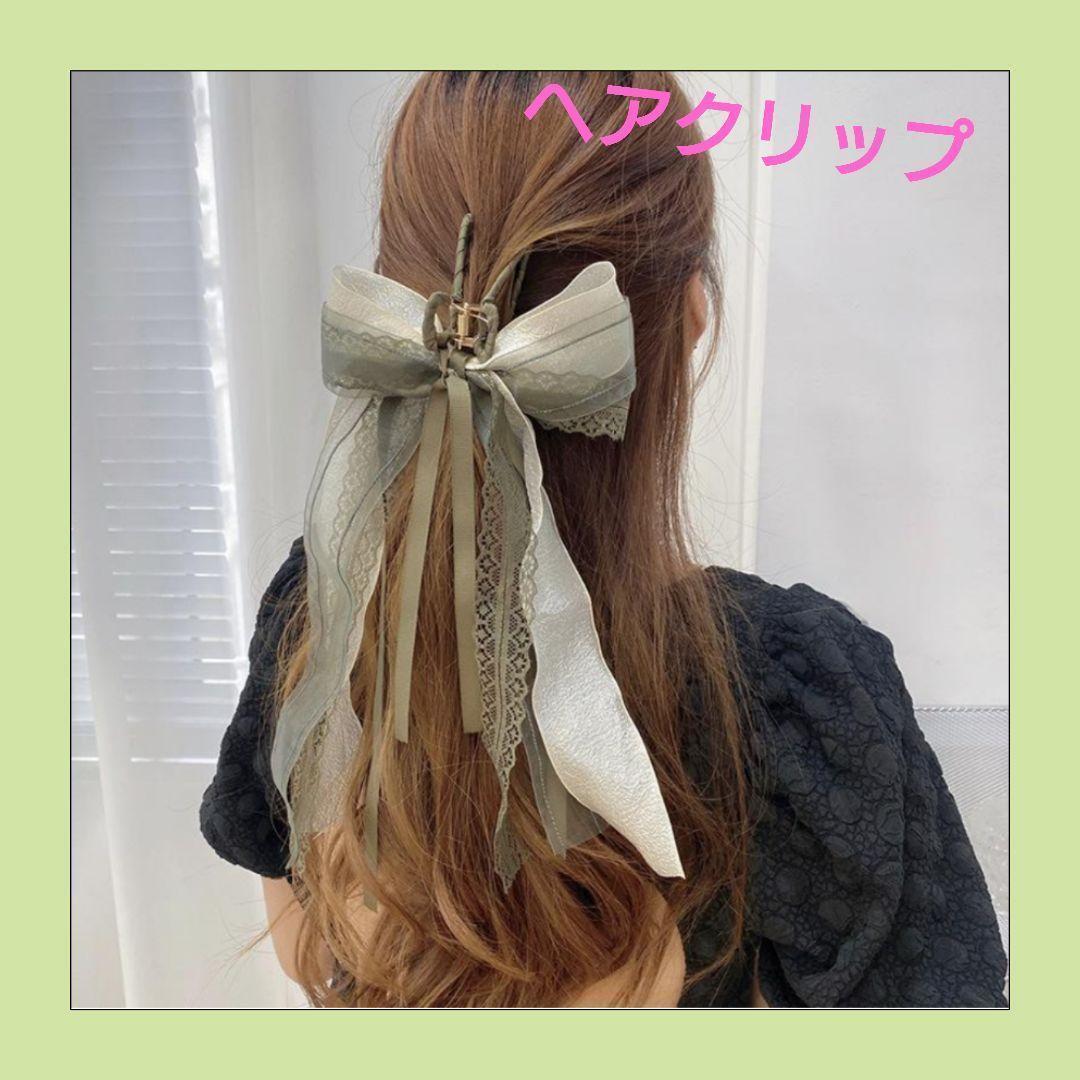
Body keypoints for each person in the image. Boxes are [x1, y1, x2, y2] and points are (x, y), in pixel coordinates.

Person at [199, 71, 1007, 1008]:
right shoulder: (793, 697)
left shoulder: (326, 612)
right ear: (691, 318)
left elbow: (306, 950)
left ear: (396, 309)